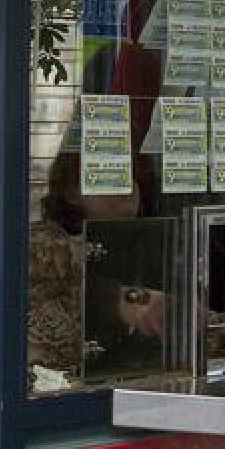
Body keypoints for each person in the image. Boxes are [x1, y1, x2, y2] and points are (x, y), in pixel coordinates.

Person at [30, 151, 164, 375]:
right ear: (72, 192)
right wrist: (119, 302)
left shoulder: (145, 239)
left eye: (128, 174)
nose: (126, 185)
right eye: (106, 174)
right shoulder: (44, 244)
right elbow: (42, 312)